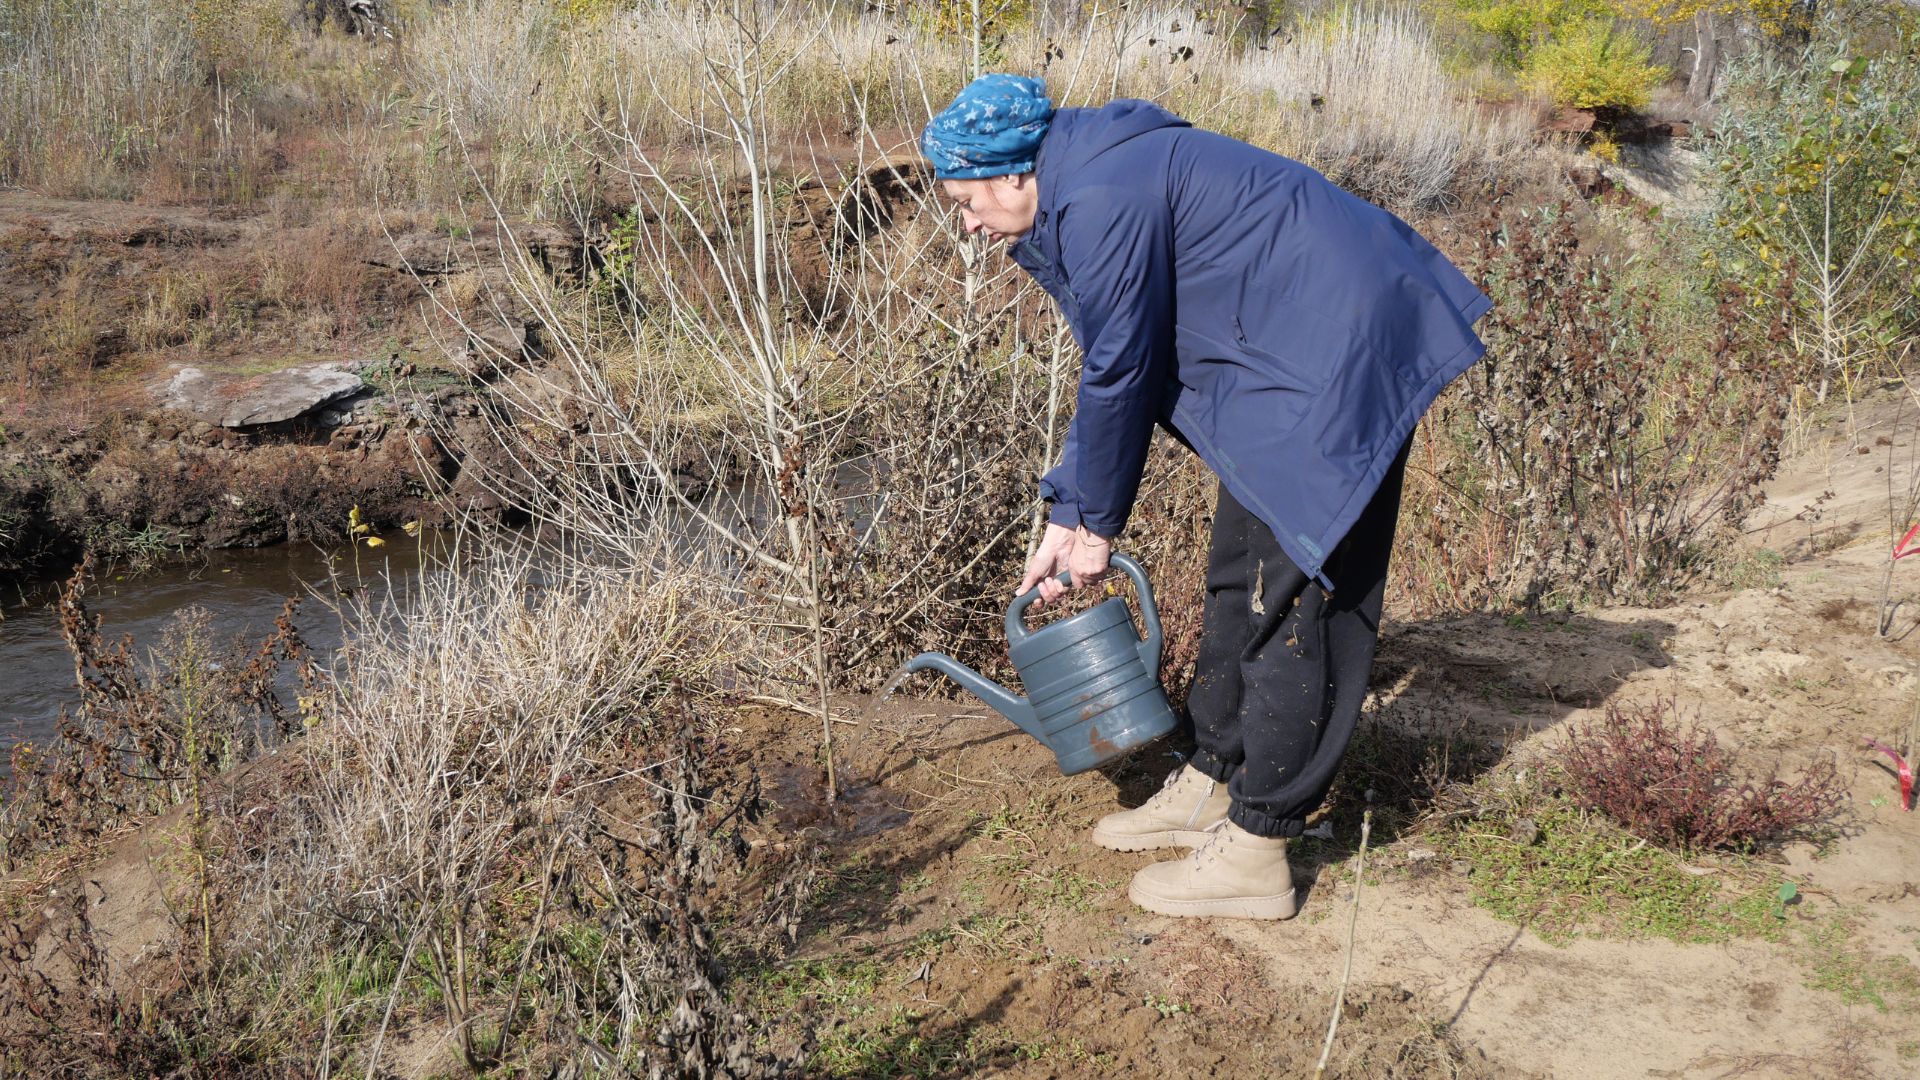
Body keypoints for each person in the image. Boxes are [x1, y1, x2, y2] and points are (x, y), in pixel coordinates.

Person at [920, 74, 1491, 921]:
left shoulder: (1103, 196)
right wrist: (1069, 511)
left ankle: (1261, 845)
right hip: (1287, 355)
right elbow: (1117, 363)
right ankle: (1213, 779)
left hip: (1341, 353)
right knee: (1239, 572)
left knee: (1300, 594)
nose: (964, 223)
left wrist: (1096, 528)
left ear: (1012, 176)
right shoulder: (1085, 181)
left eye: (966, 200)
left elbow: (1121, 369)